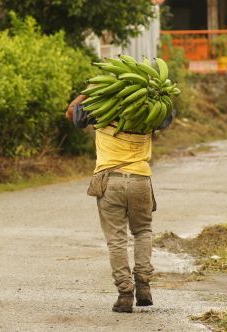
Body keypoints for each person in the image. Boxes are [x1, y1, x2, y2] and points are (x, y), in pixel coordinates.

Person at [66, 94, 175, 313]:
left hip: (110, 180)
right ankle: (143, 285)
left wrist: (89, 92)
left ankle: (125, 294)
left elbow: (71, 113)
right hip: (140, 180)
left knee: (116, 239)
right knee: (143, 231)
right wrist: (155, 92)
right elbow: (169, 115)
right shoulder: (146, 111)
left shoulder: (100, 108)